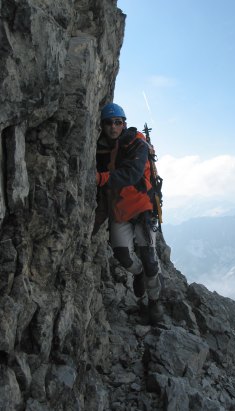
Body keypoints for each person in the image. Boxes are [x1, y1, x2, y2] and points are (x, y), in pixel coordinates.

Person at [94, 102, 164, 324]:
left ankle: (154, 304)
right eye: (108, 123)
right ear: (102, 126)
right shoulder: (102, 149)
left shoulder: (137, 143)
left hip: (143, 207)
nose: (113, 127)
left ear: (124, 124)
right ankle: (138, 273)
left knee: (150, 260)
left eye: (118, 122)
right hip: (120, 209)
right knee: (123, 257)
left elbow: (133, 174)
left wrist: (102, 178)